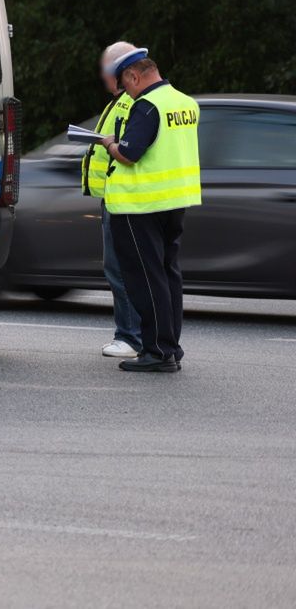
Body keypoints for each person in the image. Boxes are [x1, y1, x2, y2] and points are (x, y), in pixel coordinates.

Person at [100, 46, 201, 373]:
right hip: (174, 202)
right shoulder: (185, 102)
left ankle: (156, 352)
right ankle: (171, 347)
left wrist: (109, 144)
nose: (125, 92)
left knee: (146, 278)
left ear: (134, 75)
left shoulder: (147, 106)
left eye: (125, 84)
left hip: (139, 204)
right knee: (168, 274)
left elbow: (129, 153)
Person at [84, 42, 141, 359]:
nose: (104, 77)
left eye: (107, 70)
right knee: (121, 268)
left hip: (123, 199)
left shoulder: (132, 103)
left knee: (120, 269)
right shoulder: (121, 101)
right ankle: (133, 334)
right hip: (115, 196)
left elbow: (129, 150)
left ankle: (130, 336)